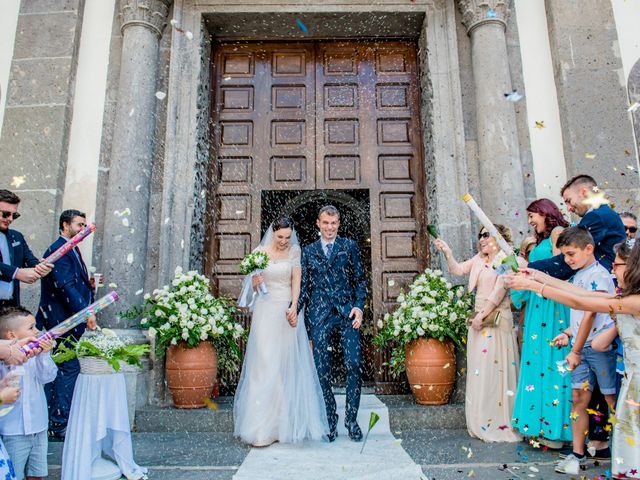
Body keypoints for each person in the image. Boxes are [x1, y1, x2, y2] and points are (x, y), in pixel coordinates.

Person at [507, 240, 640, 480]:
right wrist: (538, 276)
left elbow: (583, 303)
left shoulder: (635, 302)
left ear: (634, 266)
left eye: (617, 265)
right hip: (633, 385)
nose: (612, 270)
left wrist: (535, 287)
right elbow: (582, 293)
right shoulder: (627, 297)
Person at [528, 175, 625, 459]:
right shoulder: (584, 265)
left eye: (569, 200)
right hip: (584, 335)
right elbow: (575, 297)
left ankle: (620, 447)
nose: (569, 207)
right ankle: (588, 449)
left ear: (584, 191)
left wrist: (531, 269)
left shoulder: (599, 217)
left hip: (600, 332)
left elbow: (584, 301)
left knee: (609, 397)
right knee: (583, 397)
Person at [234, 217, 329, 446]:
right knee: (264, 364)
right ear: (272, 233)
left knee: (285, 365)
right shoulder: (260, 252)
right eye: (280, 237)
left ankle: (283, 425)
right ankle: (261, 427)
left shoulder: (295, 252)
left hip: (286, 311)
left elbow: (296, 281)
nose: (284, 241)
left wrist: (294, 307)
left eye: (287, 237)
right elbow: (253, 288)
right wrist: (256, 282)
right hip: (265, 312)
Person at [434, 225, 520, 443]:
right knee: (481, 369)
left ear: (497, 237)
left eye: (485, 234)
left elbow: (500, 291)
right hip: (479, 319)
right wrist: (448, 252)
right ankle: (482, 419)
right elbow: (457, 270)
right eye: (479, 235)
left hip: (496, 319)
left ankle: (499, 420)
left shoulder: (506, 259)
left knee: (496, 369)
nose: (481, 239)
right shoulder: (479, 259)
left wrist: (481, 316)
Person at [299, 206, 367, 442]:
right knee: (321, 371)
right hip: (319, 317)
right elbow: (305, 289)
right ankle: (330, 419)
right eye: (326, 223)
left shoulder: (349, 247)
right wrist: (295, 314)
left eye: (334, 223)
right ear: (318, 223)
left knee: (354, 364)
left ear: (339, 223)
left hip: (347, 314)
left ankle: (351, 419)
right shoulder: (308, 252)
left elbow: (359, 280)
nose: (330, 227)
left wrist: (359, 306)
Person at [510, 199, 571, 447]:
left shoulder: (558, 233)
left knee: (553, 361)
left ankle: (556, 429)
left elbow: (562, 266)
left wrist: (530, 266)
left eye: (533, 215)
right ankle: (537, 424)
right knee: (537, 362)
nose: (530, 221)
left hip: (553, 305)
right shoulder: (539, 241)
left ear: (546, 213)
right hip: (538, 305)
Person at [36, 210, 96, 441]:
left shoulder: (71, 249)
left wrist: (88, 285)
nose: (83, 230)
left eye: (83, 225)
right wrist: (86, 312)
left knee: (59, 367)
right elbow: (64, 286)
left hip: (64, 319)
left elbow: (73, 282)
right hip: (61, 321)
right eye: (79, 225)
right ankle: (58, 422)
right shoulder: (58, 250)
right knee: (67, 367)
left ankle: (54, 419)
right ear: (65, 225)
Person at [0, 306, 57, 480]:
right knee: (12, 474)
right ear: (12, 336)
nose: (38, 331)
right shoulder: (3, 360)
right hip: (13, 430)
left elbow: (48, 377)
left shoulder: (36, 355)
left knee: (37, 474)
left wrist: (44, 356)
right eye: (31, 328)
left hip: (38, 426)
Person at [0, 190, 52, 307]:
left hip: (10, 306)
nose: (10, 219)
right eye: (5, 214)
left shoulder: (16, 236)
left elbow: (30, 260)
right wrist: (16, 273)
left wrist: (41, 267)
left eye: (15, 215)